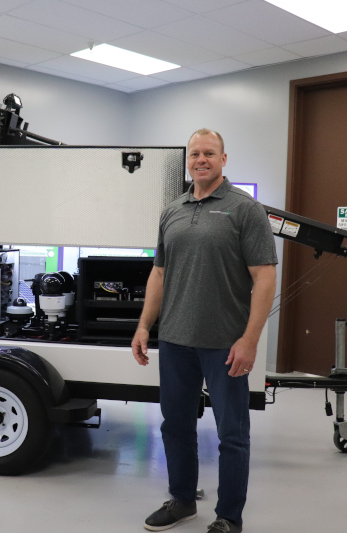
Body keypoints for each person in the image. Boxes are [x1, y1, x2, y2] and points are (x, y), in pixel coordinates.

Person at [131, 129, 277, 533]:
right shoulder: (172, 210)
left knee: (232, 433)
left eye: (209, 153)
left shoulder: (245, 209)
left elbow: (265, 278)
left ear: (223, 159)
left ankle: (229, 517)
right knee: (175, 425)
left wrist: (249, 340)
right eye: (195, 153)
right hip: (176, 340)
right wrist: (144, 325)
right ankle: (181, 500)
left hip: (225, 344)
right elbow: (159, 273)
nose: (201, 159)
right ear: (188, 161)